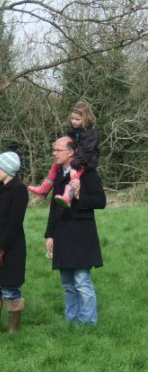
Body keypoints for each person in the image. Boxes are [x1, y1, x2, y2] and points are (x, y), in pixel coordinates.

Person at [45, 136, 106, 325]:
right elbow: (54, 207)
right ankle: (71, 320)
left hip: (81, 236)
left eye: (58, 150)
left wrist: (79, 195)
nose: (54, 153)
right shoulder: (59, 175)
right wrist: (50, 234)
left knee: (81, 282)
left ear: (71, 152)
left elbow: (101, 201)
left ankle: (87, 322)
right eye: (54, 150)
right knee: (67, 284)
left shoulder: (87, 174)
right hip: (62, 235)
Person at [0, 151, 29, 337]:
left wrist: (2, 250)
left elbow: (14, 223)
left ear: (8, 169)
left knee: (10, 289)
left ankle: (13, 331)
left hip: (11, 248)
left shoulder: (19, 189)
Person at [28, 101, 99, 209]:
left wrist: (74, 166)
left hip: (86, 161)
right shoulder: (74, 130)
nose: (74, 121)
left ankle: (68, 195)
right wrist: (58, 144)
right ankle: (44, 189)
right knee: (55, 165)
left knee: (74, 174)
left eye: (77, 119)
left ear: (85, 119)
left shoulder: (91, 134)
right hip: (76, 157)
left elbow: (85, 151)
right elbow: (70, 142)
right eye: (72, 118)